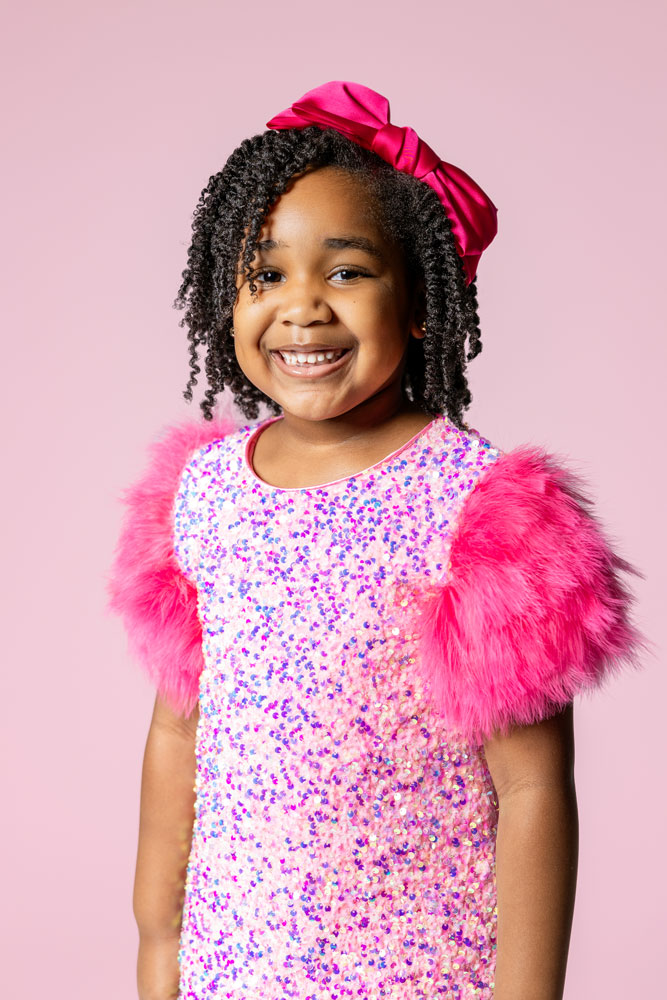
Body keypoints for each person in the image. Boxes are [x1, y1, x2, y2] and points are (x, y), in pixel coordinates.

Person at [106, 80, 649, 1000]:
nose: (303, 307)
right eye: (265, 274)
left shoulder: (481, 511)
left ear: (424, 301)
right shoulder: (200, 494)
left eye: (346, 272)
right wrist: (159, 941)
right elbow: (176, 729)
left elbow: (530, 793)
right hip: (233, 966)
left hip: (418, 972)